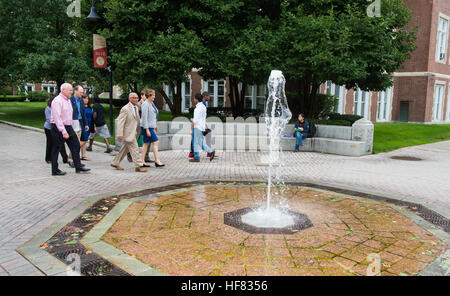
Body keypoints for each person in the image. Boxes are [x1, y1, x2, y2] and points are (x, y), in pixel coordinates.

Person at [50, 83, 90, 176]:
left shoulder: (68, 100)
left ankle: (78, 166)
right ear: (63, 90)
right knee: (57, 148)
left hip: (68, 126)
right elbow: (57, 118)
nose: (71, 92)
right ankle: (55, 170)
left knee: (76, 144)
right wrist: (63, 131)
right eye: (70, 90)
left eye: (72, 90)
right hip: (58, 127)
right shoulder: (57, 101)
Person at [110, 93, 147, 172]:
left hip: (135, 132)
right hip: (128, 133)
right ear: (129, 99)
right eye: (134, 98)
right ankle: (138, 166)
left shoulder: (136, 107)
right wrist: (119, 134)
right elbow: (120, 122)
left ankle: (115, 162)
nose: (136, 99)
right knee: (135, 149)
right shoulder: (125, 109)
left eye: (137, 98)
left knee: (124, 150)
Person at [140, 88, 165, 167]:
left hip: (151, 126)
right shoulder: (145, 104)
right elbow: (144, 118)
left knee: (146, 144)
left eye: (154, 95)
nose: (154, 97)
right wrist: (147, 129)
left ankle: (142, 161)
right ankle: (157, 161)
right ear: (149, 96)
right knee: (155, 142)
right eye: (153, 95)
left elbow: (153, 115)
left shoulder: (151, 103)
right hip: (147, 127)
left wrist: (155, 125)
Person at [188, 91, 215, 159]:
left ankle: (209, 152)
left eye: (194, 99)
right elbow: (202, 118)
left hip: (197, 127)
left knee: (197, 142)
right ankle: (197, 156)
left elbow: (195, 120)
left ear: (197, 99)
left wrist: (191, 129)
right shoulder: (203, 106)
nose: (193, 100)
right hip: (201, 126)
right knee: (197, 142)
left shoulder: (197, 109)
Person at [68, 85, 89, 167]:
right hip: (73, 122)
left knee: (79, 141)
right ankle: (71, 159)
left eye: (82, 92)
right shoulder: (70, 100)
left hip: (79, 122)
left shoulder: (80, 100)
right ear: (75, 91)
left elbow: (83, 112)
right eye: (80, 92)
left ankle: (74, 159)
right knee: (75, 142)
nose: (82, 94)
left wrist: (86, 123)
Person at [44, 94, 68, 164]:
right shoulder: (48, 109)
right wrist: (57, 121)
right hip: (49, 128)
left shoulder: (58, 107)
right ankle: (48, 158)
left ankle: (65, 158)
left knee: (61, 143)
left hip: (59, 127)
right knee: (50, 143)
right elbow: (49, 119)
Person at [80, 94, 93, 161]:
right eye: (84, 98)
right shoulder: (81, 107)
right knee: (84, 140)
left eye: (87, 99)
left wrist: (94, 126)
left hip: (89, 125)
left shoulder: (89, 107)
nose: (86, 100)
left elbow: (92, 117)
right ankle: (73, 151)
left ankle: (83, 155)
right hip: (83, 125)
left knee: (85, 141)